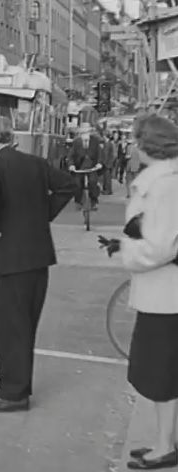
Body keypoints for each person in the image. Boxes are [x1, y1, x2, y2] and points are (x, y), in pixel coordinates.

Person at [0, 117, 76, 413]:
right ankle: (13, 382)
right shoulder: (36, 163)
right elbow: (67, 185)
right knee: (24, 323)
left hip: (12, 256)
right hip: (38, 254)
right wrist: (43, 213)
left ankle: (14, 392)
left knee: (7, 326)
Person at [99, 114, 178, 470]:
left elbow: (161, 247)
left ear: (148, 145)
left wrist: (128, 250)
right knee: (163, 372)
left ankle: (164, 446)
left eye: (135, 139)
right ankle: (164, 441)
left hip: (167, 295)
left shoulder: (164, 185)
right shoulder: (164, 181)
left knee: (162, 373)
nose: (131, 145)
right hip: (164, 293)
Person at [66, 122, 104, 211]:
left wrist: (99, 163)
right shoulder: (76, 142)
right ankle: (78, 202)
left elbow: (100, 154)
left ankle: (94, 202)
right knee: (77, 184)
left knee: (93, 182)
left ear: (90, 132)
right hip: (79, 168)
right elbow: (70, 155)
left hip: (92, 167)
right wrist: (71, 165)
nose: (85, 134)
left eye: (87, 132)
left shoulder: (95, 141)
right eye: (83, 132)